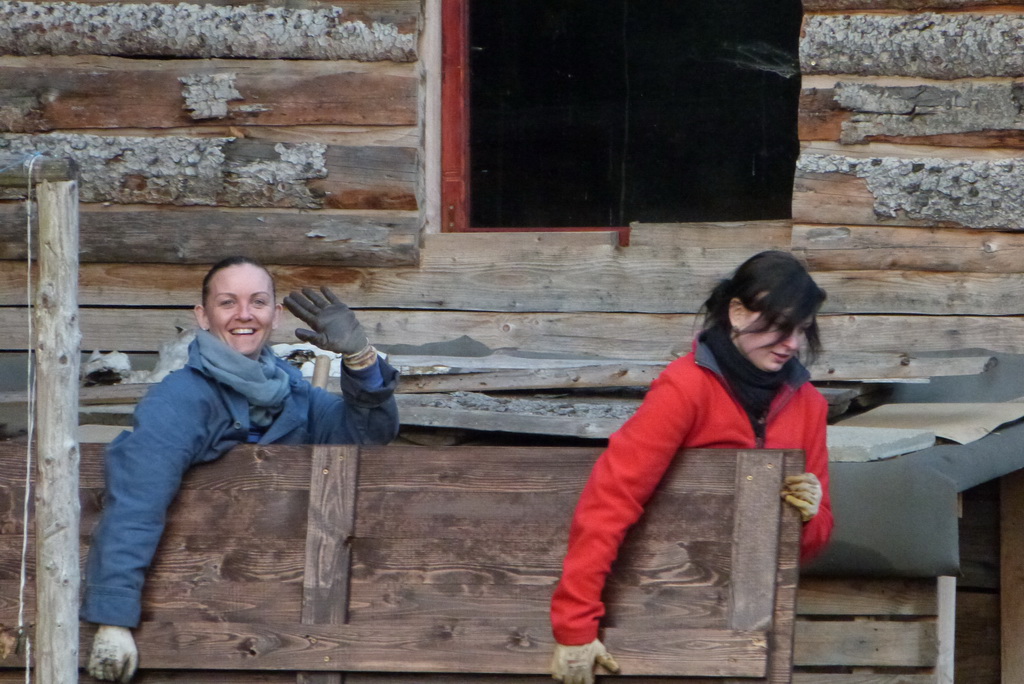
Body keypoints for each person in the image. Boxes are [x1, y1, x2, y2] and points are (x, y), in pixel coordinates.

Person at [81, 256, 400, 682]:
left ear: (276, 315)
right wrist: (113, 619)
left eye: (258, 302)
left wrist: (361, 358)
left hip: (281, 617)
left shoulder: (293, 392)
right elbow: (136, 505)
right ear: (203, 316)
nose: (244, 314)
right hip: (192, 620)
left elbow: (367, 436)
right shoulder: (180, 400)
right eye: (227, 302)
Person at [548, 250, 834, 684]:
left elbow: (810, 546)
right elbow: (611, 500)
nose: (793, 343)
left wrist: (809, 519)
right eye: (780, 326)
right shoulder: (685, 388)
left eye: (801, 329)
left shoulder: (809, 405)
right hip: (663, 616)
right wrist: (574, 628)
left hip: (758, 629)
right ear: (737, 313)